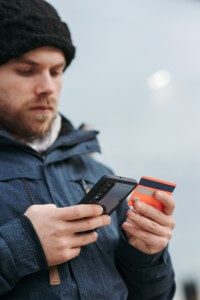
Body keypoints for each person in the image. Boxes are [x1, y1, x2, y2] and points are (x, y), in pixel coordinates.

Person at [0, 0, 176, 299]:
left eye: (56, 72)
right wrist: (20, 247)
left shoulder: (97, 173)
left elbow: (155, 295)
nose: (47, 86)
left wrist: (147, 256)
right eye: (28, 70)